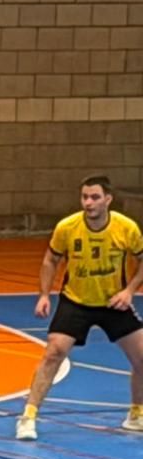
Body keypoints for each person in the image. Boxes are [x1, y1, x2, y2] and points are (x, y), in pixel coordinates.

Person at [17, 176, 143, 441]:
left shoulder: (126, 228)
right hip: (76, 301)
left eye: (95, 197)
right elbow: (50, 259)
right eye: (85, 197)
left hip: (112, 303)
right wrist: (44, 295)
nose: (88, 202)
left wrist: (129, 291)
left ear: (108, 199)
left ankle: (136, 414)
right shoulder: (67, 227)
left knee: (141, 357)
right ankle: (28, 416)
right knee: (54, 352)